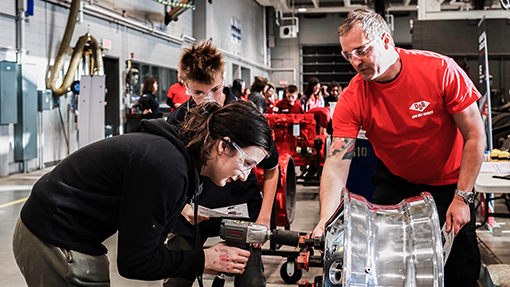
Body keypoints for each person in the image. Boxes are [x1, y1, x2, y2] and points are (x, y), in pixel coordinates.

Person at [12, 100, 273, 286]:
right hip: (52, 237)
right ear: (224, 146)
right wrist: (204, 259)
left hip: (66, 232)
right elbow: (134, 262)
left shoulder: (179, 157)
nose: (245, 175)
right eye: (247, 163)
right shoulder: (167, 168)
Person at [312, 9, 484, 287]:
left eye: (362, 50)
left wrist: (463, 197)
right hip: (396, 180)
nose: (355, 62)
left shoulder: (440, 71)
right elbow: (336, 162)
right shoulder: (353, 96)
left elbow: (475, 135)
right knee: (377, 262)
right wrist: (325, 221)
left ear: (386, 40)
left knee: (458, 270)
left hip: (450, 183)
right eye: (347, 55)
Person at [165, 40, 279, 287]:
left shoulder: (246, 117)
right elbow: (166, 173)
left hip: (240, 211)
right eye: (198, 93)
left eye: (215, 90)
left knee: (250, 282)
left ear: (224, 79)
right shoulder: (178, 120)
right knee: (176, 282)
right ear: (185, 86)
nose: (208, 100)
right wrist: (181, 206)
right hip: (192, 213)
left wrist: (264, 217)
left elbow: (271, 167)